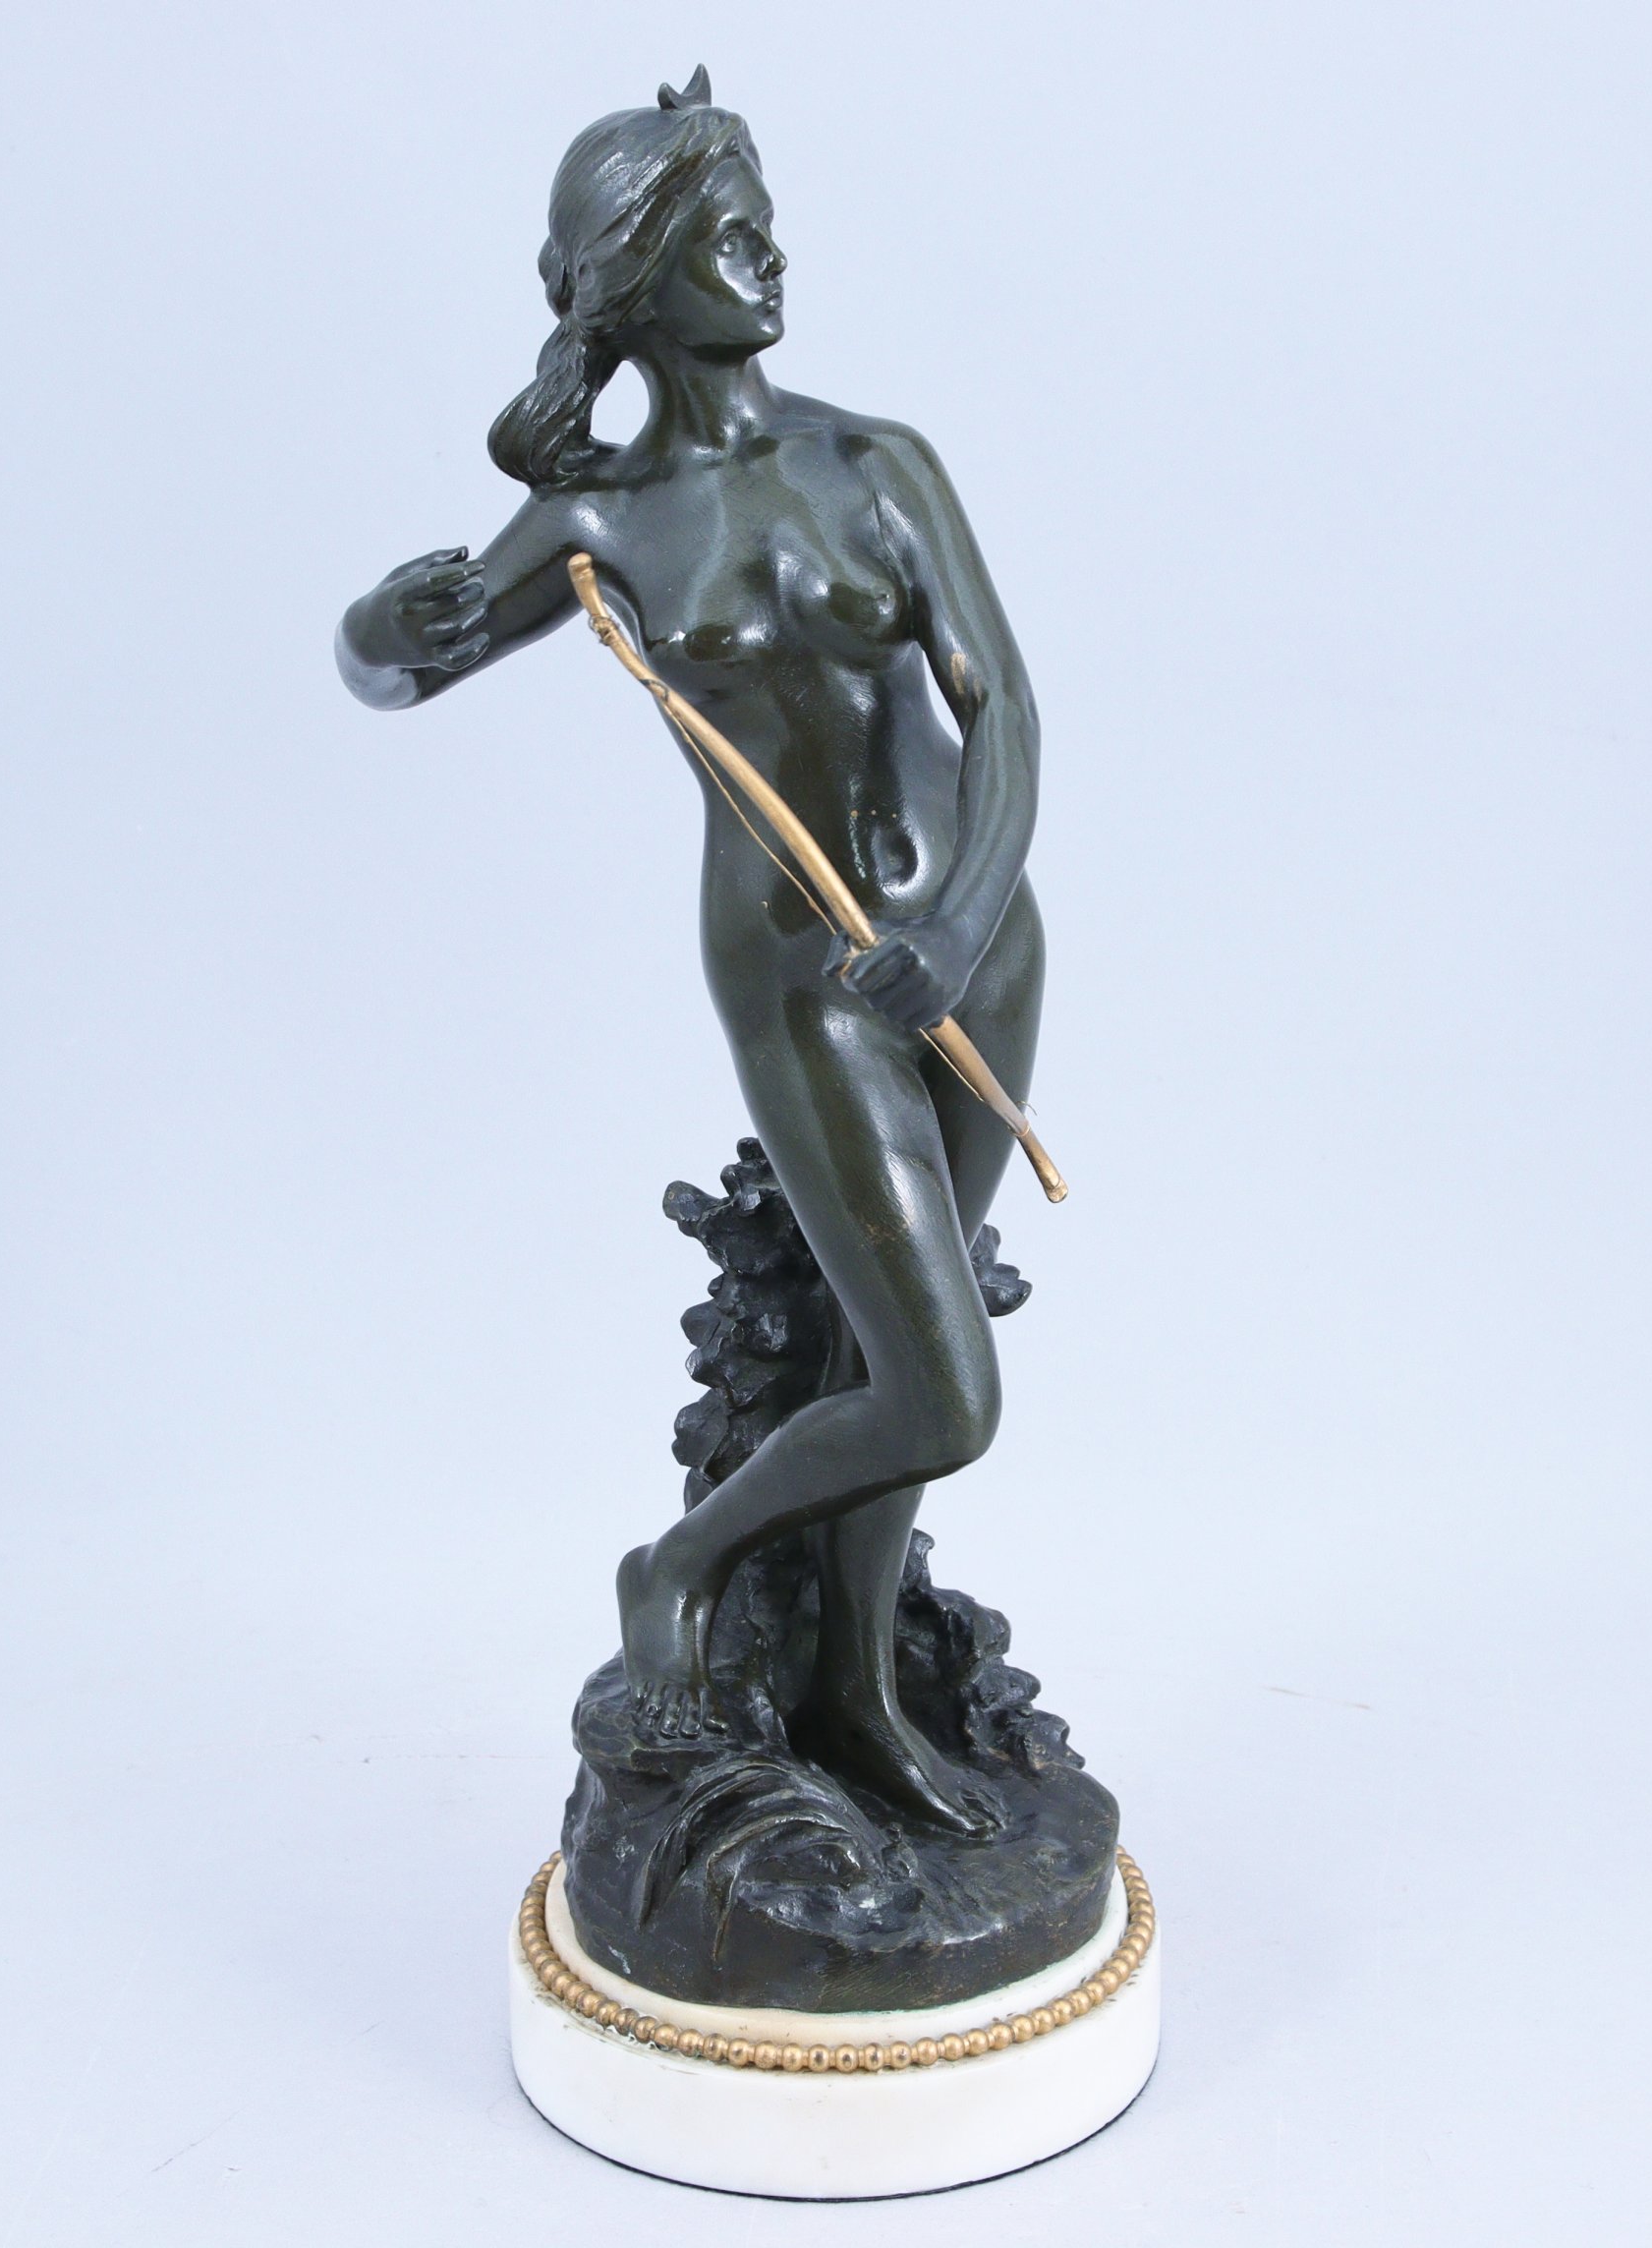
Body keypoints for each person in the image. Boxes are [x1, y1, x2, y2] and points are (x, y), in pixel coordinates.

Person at [338, 72, 1043, 1837]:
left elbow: (1005, 706)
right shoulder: (604, 526)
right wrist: (373, 629)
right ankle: (681, 1566)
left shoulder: (876, 461)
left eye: (768, 220)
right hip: (805, 975)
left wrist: (961, 921)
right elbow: (399, 669)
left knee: (887, 1355)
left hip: (974, 940)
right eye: (731, 232)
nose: (771, 253)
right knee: (942, 1393)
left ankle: (858, 1693)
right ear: (639, 276)